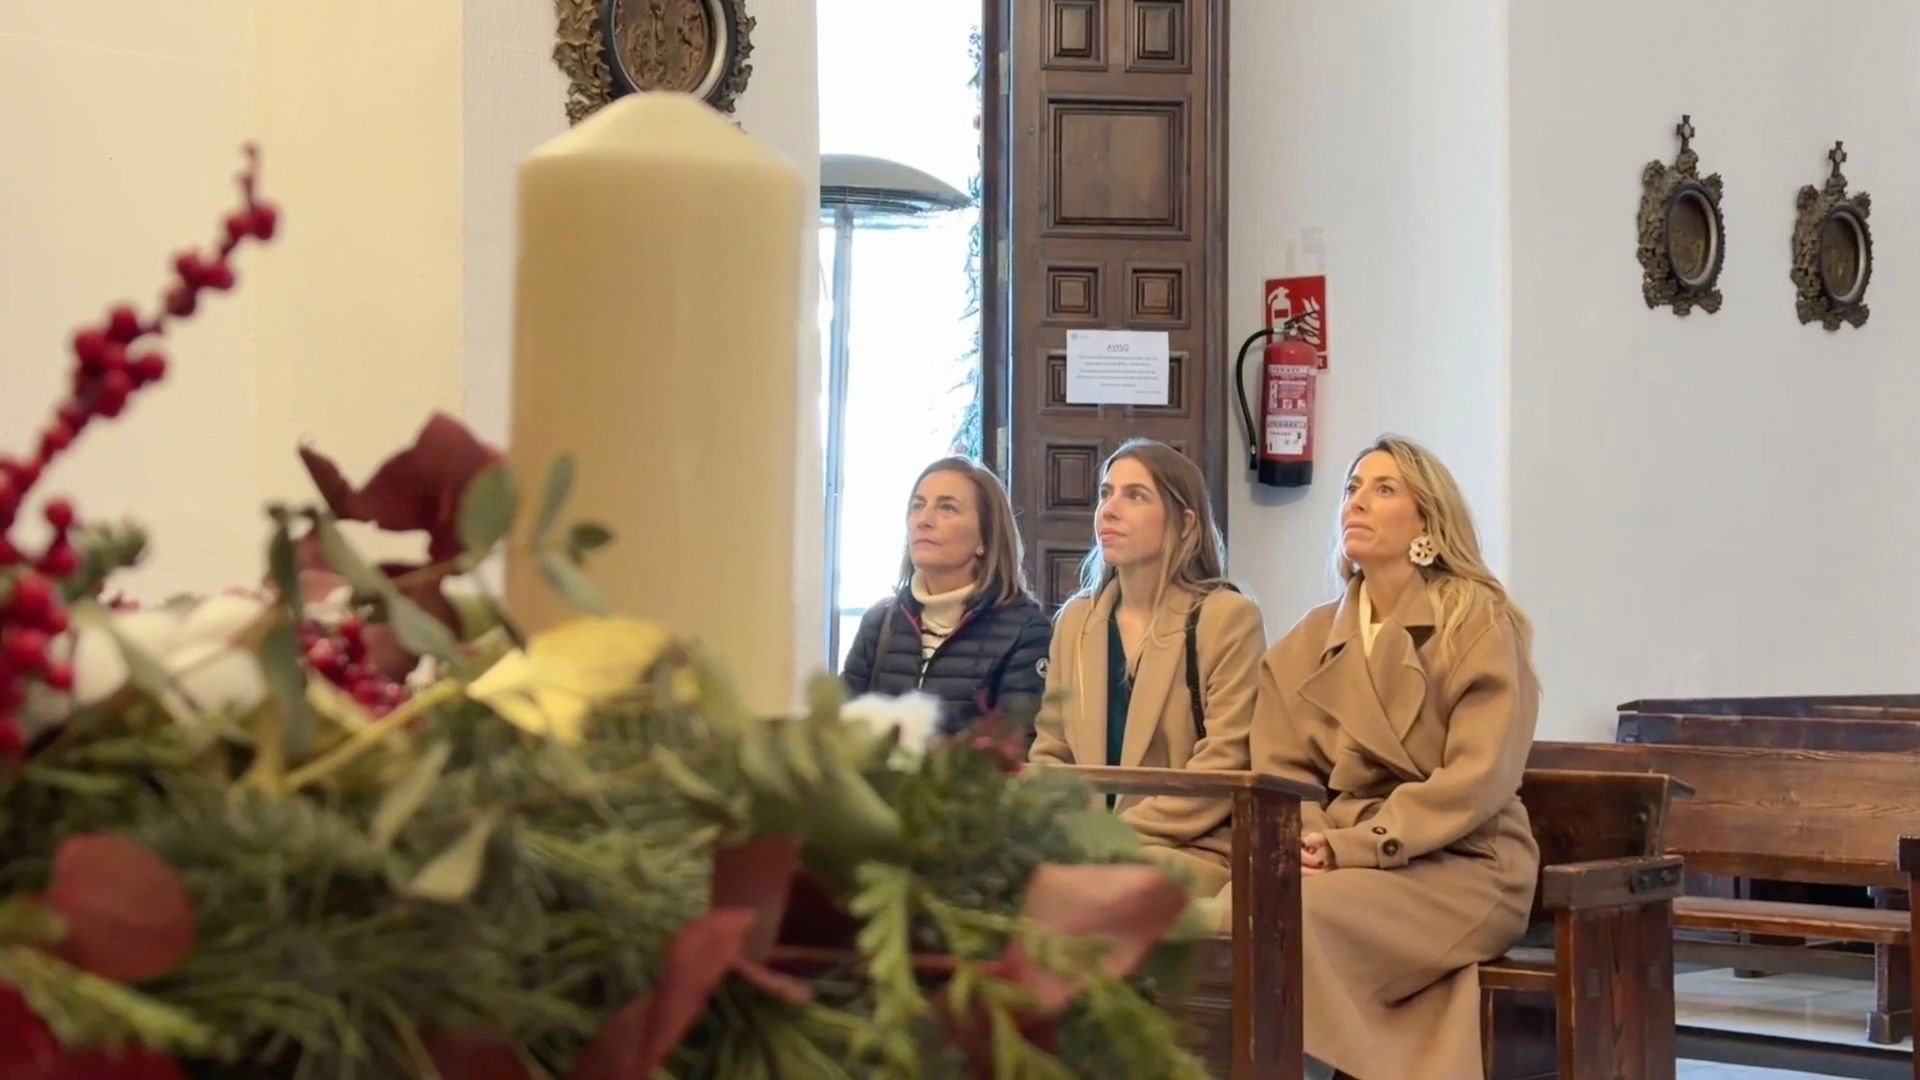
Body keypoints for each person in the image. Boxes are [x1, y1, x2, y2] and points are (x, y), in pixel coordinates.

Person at [1248, 435, 1540, 1080]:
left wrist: (1354, 845)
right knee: (1229, 910)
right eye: (1352, 487)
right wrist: (1314, 840)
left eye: (1384, 489)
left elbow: (1479, 775)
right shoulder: (1310, 638)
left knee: (1299, 915)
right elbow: (1280, 775)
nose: (1357, 502)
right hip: (1345, 857)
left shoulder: (1476, 621)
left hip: (1466, 861)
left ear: (1428, 523)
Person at [1028, 439, 1264, 895]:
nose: (1109, 510)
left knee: (1094, 890)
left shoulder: (1225, 617)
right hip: (1082, 846)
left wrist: (1115, 841)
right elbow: (1051, 753)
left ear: (1185, 523)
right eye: (1105, 493)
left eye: (1134, 496)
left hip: (1186, 847)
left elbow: (1225, 761)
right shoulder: (1076, 621)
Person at [839, 457, 1053, 738]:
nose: (924, 520)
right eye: (918, 505)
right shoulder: (879, 623)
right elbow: (839, 735)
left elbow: (1015, 748)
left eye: (947, 508)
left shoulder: (1025, 630)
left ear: (984, 539)